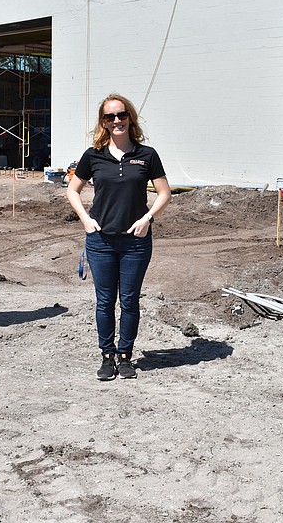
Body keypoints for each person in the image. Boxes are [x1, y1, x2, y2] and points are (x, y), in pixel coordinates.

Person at [66, 94, 171, 381]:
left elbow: (165, 193)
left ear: (130, 118)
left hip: (135, 242)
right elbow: (72, 191)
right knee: (104, 301)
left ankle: (125, 356)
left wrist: (147, 218)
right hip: (100, 241)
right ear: (103, 122)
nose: (117, 121)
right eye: (110, 117)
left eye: (122, 115)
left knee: (129, 301)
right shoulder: (93, 155)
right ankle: (106, 356)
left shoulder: (146, 155)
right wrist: (86, 220)